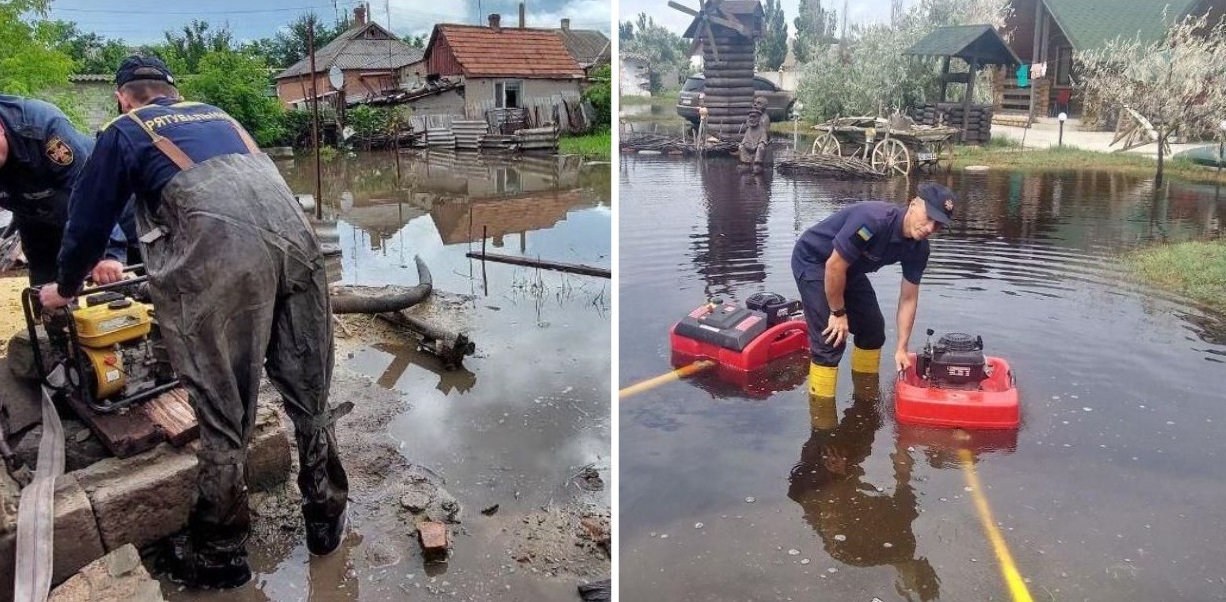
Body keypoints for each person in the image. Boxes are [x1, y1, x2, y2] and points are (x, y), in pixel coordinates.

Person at [38, 56, 350, 589]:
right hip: (302, 246)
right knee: (309, 393)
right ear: (173, 91)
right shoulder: (219, 115)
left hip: (225, 257)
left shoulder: (122, 131)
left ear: (122, 97)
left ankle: (222, 556)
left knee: (225, 412)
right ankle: (326, 523)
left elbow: (86, 222)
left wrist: (63, 290)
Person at [791, 182, 956, 398]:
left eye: (938, 225)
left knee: (873, 332)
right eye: (929, 217)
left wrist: (902, 348)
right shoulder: (873, 222)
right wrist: (838, 313)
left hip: (848, 269)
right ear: (913, 204)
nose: (929, 228)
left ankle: (865, 397)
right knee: (830, 341)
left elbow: (908, 298)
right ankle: (823, 421)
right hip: (815, 261)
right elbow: (834, 265)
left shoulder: (919, 248)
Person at [0, 95, 130, 286]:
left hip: (102, 204)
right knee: (45, 292)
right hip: (33, 216)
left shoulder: (43, 127)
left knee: (116, 280)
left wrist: (110, 253)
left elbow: (91, 193)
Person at [738, 96, 770, 167]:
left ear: (765, 106)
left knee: (761, 147)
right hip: (751, 142)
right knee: (741, 146)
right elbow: (747, 132)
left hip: (759, 141)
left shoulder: (764, 119)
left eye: (759, 103)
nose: (755, 105)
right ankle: (746, 162)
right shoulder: (750, 120)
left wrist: (762, 141)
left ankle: (757, 163)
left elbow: (766, 135)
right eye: (754, 103)